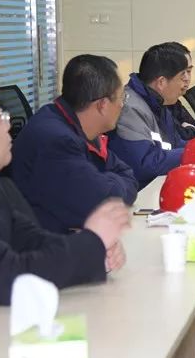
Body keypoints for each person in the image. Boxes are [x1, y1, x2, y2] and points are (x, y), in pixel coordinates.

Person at [0, 74, 130, 347]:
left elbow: (31, 241)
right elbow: (6, 278)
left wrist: (96, 251)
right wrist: (92, 241)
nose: (8, 125)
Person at [12, 55, 139, 234]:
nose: (122, 105)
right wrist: (104, 183)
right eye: (121, 97)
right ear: (102, 105)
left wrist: (102, 182)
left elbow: (128, 175)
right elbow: (104, 202)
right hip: (46, 244)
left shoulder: (80, 127)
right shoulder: (55, 140)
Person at [108, 42, 190, 187]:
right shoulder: (130, 108)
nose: (187, 81)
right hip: (139, 192)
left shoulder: (158, 103)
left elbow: (175, 143)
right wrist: (194, 154)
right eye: (182, 75)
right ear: (161, 82)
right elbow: (144, 164)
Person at [165, 42, 195, 138]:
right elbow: (178, 139)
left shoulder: (174, 102)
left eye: (188, 71)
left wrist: (190, 130)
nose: (187, 78)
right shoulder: (153, 108)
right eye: (182, 72)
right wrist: (191, 130)